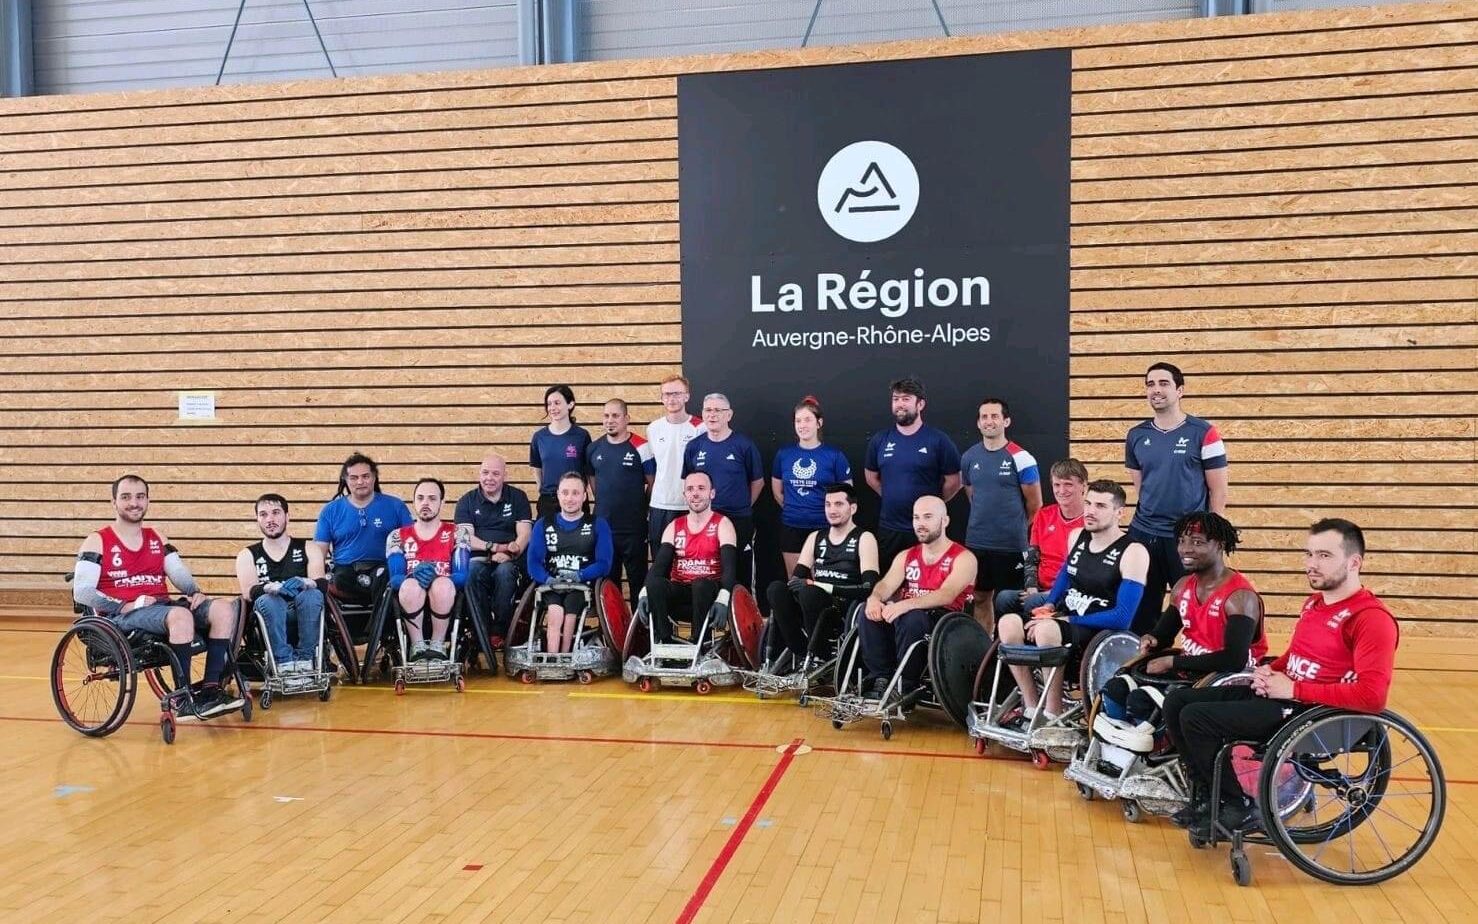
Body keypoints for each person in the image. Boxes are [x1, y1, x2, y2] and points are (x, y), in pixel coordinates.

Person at [1163, 519, 1399, 833]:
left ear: (1354, 562)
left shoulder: (1371, 619)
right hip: (1287, 697)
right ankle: (1206, 796)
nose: (1312, 565)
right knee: (1178, 701)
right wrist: (1270, 670)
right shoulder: (1315, 603)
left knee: (1196, 717)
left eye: (1324, 556)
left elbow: (1372, 696)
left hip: (1312, 713)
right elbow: (1297, 657)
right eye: (1309, 554)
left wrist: (1293, 688)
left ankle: (1236, 804)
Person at [71, 474, 245, 718]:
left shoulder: (157, 537)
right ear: (114, 502)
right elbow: (82, 592)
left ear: (147, 500)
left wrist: (194, 591)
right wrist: (126, 604)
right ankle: (183, 700)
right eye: (126, 497)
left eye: (140, 497)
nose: (134, 503)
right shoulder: (97, 540)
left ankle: (211, 690)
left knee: (223, 609)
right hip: (123, 615)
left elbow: (178, 572)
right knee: (181, 616)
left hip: (160, 608)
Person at [995, 480, 1149, 718]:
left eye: (1100, 505)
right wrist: (1049, 604)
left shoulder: (1133, 552)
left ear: (1119, 512)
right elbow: (1066, 575)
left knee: (1046, 630)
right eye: (1088, 503)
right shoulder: (1077, 536)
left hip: (1098, 627)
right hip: (1063, 619)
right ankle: (1030, 704)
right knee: (1008, 623)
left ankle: (1052, 711)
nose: (1090, 510)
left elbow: (1122, 618)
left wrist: (1066, 619)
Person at [1098, 511, 1267, 728]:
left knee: (1140, 702)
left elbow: (1234, 660)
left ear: (1219, 545)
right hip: (1191, 669)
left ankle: (1152, 752)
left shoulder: (1239, 597)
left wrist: (1172, 662)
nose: (1186, 549)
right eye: (1181, 541)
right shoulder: (1182, 587)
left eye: (1197, 542)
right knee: (1115, 689)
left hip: (1228, 677)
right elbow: (1164, 635)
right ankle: (1120, 748)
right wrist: (1153, 640)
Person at [1125, 362, 1229, 634]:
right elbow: (1141, 485)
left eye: (1163, 383)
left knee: (1193, 608)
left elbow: (1218, 490)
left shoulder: (1204, 432)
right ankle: (1140, 669)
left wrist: (1211, 535)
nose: (1156, 390)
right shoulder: (1137, 435)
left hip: (1187, 537)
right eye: (1150, 384)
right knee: (1141, 612)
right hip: (1144, 534)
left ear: (1180, 390)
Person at [859, 496, 976, 699]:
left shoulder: (964, 557)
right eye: (916, 518)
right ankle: (881, 678)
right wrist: (875, 598)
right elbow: (886, 584)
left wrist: (906, 605)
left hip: (944, 620)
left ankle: (906, 685)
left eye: (928, 517)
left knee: (911, 617)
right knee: (867, 611)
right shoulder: (907, 555)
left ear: (945, 521)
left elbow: (947, 594)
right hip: (907, 614)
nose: (920, 524)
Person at [765, 483, 879, 666]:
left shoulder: (864, 538)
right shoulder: (815, 537)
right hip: (811, 601)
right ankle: (801, 650)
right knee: (776, 590)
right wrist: (799, 587)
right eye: (828, 504)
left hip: (842, 605)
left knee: (810, 592)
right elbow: (796, 580)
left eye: (839, 504)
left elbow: (868, 588)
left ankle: (819, 655)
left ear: (853, 508)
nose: (832, 510)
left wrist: (818, 586)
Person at [864, 376, 962, 572]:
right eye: (896, 399)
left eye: (906, 398)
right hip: (890, 529)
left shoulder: (938, 440)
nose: (900, 404)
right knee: (890, 586)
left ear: (920, 404)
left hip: (927, 531)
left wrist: (932, 503)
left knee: (925, 587)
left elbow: (955, 480)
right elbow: (871, 476)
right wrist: (892, 495)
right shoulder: (880, 439)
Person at [960, 397, 1041, 628]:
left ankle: (1009, 654)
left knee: (1011, 602)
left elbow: (1035, 506)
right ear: (978, 423)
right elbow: (973, 496)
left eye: (995, 416)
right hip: (978, 543)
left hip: (1012, 546)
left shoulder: (1022, 457)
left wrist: (1015, 530)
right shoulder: (969, 457)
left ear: (1006, 421)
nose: (989, 421)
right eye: (984, 416)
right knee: (980, 598)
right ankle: (985, 651)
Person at [234, 493, 327, 675]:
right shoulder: (247, 554)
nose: (270, 519)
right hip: (267, 611)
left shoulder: (308, 547)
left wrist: (306, 582)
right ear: (257, 520)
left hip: (301, 606)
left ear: (287, 516)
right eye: (263, 514)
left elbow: (321, 584)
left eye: (276, 513)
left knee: (313, 594)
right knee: (270, 600)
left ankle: (306, 659)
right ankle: (283, 662)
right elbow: (248, 592)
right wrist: (268, 587)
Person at [644, 472, 738, 645]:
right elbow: (659, 567)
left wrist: (724, 597)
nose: (695, 493)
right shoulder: (674, 526)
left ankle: (698, 643)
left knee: (700, 584)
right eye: (690, 489)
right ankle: (664, 642)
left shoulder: (723, 524)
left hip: (709, 593)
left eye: (701, 488)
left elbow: (730, 569)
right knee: (654, 583)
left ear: (712, 493)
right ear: (684, 495)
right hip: (681, 592)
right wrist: (645, 592)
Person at [526, 473, 615, 653]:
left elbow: (605, 563)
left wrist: (580, 575)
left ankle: (566, 656)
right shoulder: (543, 524)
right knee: (555, 613)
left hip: (582, 585)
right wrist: (547, 579)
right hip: (552, 584)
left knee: (570, 614)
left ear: (584, 496)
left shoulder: (598, 524)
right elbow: (533, 562)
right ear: (558, 495)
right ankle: (552, 659)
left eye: (575, 493)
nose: (569, 498)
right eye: (565, 493)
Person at [682, 392, 764, 589]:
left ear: (729, 415)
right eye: (708, 410)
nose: (712, 415)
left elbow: (758, 482)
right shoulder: (694, 446)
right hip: (705, 521)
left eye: (718, 410)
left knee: (741, 575)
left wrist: (742, 504)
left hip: (738, 520)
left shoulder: (744, 445)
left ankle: (743, 618)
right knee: (709, 573)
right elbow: (688, 481)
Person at [313, 453, 412, 613]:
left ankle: (374, 634)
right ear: (345, 480)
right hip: (346, 572)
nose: (360, 482)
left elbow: (412, 543)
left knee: (386, 578)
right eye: (354, 477)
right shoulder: (330, 511)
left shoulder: (395, 506)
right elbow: (318, 554)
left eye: (365, 476)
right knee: (338, 579)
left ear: (374, 478)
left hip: (383, 569)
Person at [385, 478, 472, 660]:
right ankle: (417, 647)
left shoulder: (457, 533)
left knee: (442, 585)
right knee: (410, 586)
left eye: (432, 498)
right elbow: (395, 579)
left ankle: (437, 645)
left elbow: (462, 576)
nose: (425, 503)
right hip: (410, 595)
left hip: (445, 594)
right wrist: (413, 575)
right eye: (421, 498)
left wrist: (435, 578)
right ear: (413, 502)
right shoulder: (396, 536)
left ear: (442, 502)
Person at [455, 452, 533, 646]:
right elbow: (466, 538)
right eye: (485, 473)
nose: (489, 478)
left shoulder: (518, 497)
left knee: (505, 573)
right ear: (479, 474)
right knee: (471, 572)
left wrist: (509, 552)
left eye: (495, 474)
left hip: (510, 559)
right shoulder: (467, 501)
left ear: (504, 475)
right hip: (479, 559)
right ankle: (480, 630)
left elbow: (525, 534)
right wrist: (493, 547)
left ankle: (499, 631)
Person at [770, 396, 853, 578]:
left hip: (823, 527)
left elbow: (847, 495)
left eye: (808, 419)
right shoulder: (784, 455)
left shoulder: (834, 455)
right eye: (798, 421)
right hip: (792, 526)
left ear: (819, 423)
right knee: (795, 582)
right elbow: (777, 491)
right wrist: (797, 509)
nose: (802, 425)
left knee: (821, 582)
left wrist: (826, 513)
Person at [995, 458, 1088, 619]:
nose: (1061, 490)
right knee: (1004, 598)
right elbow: (1032, 559)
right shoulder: (1044, 514)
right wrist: (1031, 587)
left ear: (1084, 487)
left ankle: (1033, 638)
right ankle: (1010, 640)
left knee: (1034, 602)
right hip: (1039, 589)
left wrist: (1049, 594)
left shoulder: (1090, 520)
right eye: (1057, 485)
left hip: (1070, 593)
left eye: (1068, 484)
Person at [587, 398, 655, 610]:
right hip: (605, 529)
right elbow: (593, 484)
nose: (610, 420)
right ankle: (613, 634)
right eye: (606, 416)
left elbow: (653, 483)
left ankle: (640, 631)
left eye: (615, 416)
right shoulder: (593, 448)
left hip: (634, 529)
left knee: (638, 583)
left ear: (627, 418)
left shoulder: (642, 447)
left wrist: (638, 508)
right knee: (608, 584)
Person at [646, 374, 703, 557]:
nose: (671, 399)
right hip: (660, 504)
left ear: (686, 396)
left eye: (677, 393)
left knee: (689, 560)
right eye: (667, 394)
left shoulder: (700, 427)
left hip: (689, 504)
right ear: (662, 398)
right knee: (660, 558)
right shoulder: (653, 428)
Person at [529, 384, 592, 519]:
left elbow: (588, 470)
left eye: (557, 403)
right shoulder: (539, 437)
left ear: (570, 404)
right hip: (548, 501)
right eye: (549, 404)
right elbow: (537, 467)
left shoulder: (582, 436)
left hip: (575, 501)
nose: (552, 408)